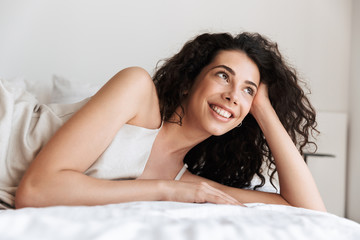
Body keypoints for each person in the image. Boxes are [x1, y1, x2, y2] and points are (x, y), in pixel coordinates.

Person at [3, 32, 326, 211]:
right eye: (223, 76)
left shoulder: (189, 183)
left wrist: (264, 110)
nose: (233, 95)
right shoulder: (137, 90)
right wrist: (164, 191)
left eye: (247, 90)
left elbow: (309, 210)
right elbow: (36, 191)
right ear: (188, 82)